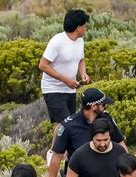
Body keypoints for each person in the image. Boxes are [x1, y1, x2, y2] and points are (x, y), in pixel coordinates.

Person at [47, 88, 126, 177]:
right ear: (94, 106)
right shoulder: (69, 126)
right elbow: (56, 156)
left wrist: (129, 169)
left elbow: (121, 146)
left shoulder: (107, 119)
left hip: (107, 175)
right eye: (103, 104)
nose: (104, 108)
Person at [39, 9, 90, 164]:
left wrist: (83, 74)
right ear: (78, 27)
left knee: (66, 123)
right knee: (66, 123)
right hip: (53, 88)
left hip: (70, 88)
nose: (86, 29)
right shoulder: (57, 41)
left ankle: (60, 153)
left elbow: (81, 60)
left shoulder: (80, 41)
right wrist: (65, 80)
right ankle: (55, 154)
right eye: (85, 26)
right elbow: (43, 65)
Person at [59, 118, 126, 177]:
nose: (102, 144)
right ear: (92, 137)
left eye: (106, 139)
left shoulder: (120, 152)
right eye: (98, 140)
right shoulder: (79, 155)